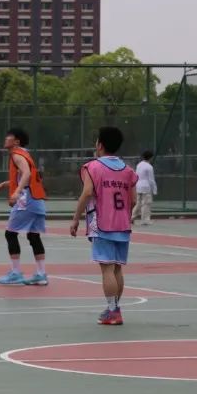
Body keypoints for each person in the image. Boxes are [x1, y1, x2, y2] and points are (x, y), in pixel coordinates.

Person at [69, 126, 138, 326]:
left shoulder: (92, 167)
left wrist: (76, 218)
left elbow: (87, 193)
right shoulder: (128, 170)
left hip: (102, 223)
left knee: (107, 269)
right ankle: (113, 308)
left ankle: (113, 311)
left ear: (99, 145)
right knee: (117, 268)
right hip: (122, 224)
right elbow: (133, 200)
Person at [0, 129, 48, 286]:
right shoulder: (25, 154)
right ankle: (41, 274)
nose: (5, 139)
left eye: (8, 137)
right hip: (37, 201)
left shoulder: (16, 154)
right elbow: (25, 177)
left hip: (26, 200)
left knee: (10, 234)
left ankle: (15, 273)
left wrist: (16, 192)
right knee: (33, 236)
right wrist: (4, 184)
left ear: (16, 141)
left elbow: (26, 174)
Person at [132, 150, 157, 226]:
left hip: (138, 186)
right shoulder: (149, 167)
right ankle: (145, 220)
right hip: (146, 187)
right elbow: (151, 179)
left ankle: (131, 217)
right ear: (150, 158)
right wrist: (154, 189)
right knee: (146, 203)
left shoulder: (139, 165)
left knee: (138, 203)